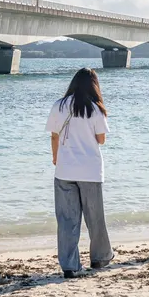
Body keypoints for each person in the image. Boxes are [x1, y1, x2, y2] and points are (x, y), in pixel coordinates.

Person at [46, 67, 114, 277]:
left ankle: (70, 265)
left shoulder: (59, 105)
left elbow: (54, 136)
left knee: (67, 220)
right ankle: (100, 257)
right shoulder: (95, 109)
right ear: (94, 86)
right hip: (90, 171)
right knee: (95, 218)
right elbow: (101, 139)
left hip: (65, 170)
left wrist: (56, 157)